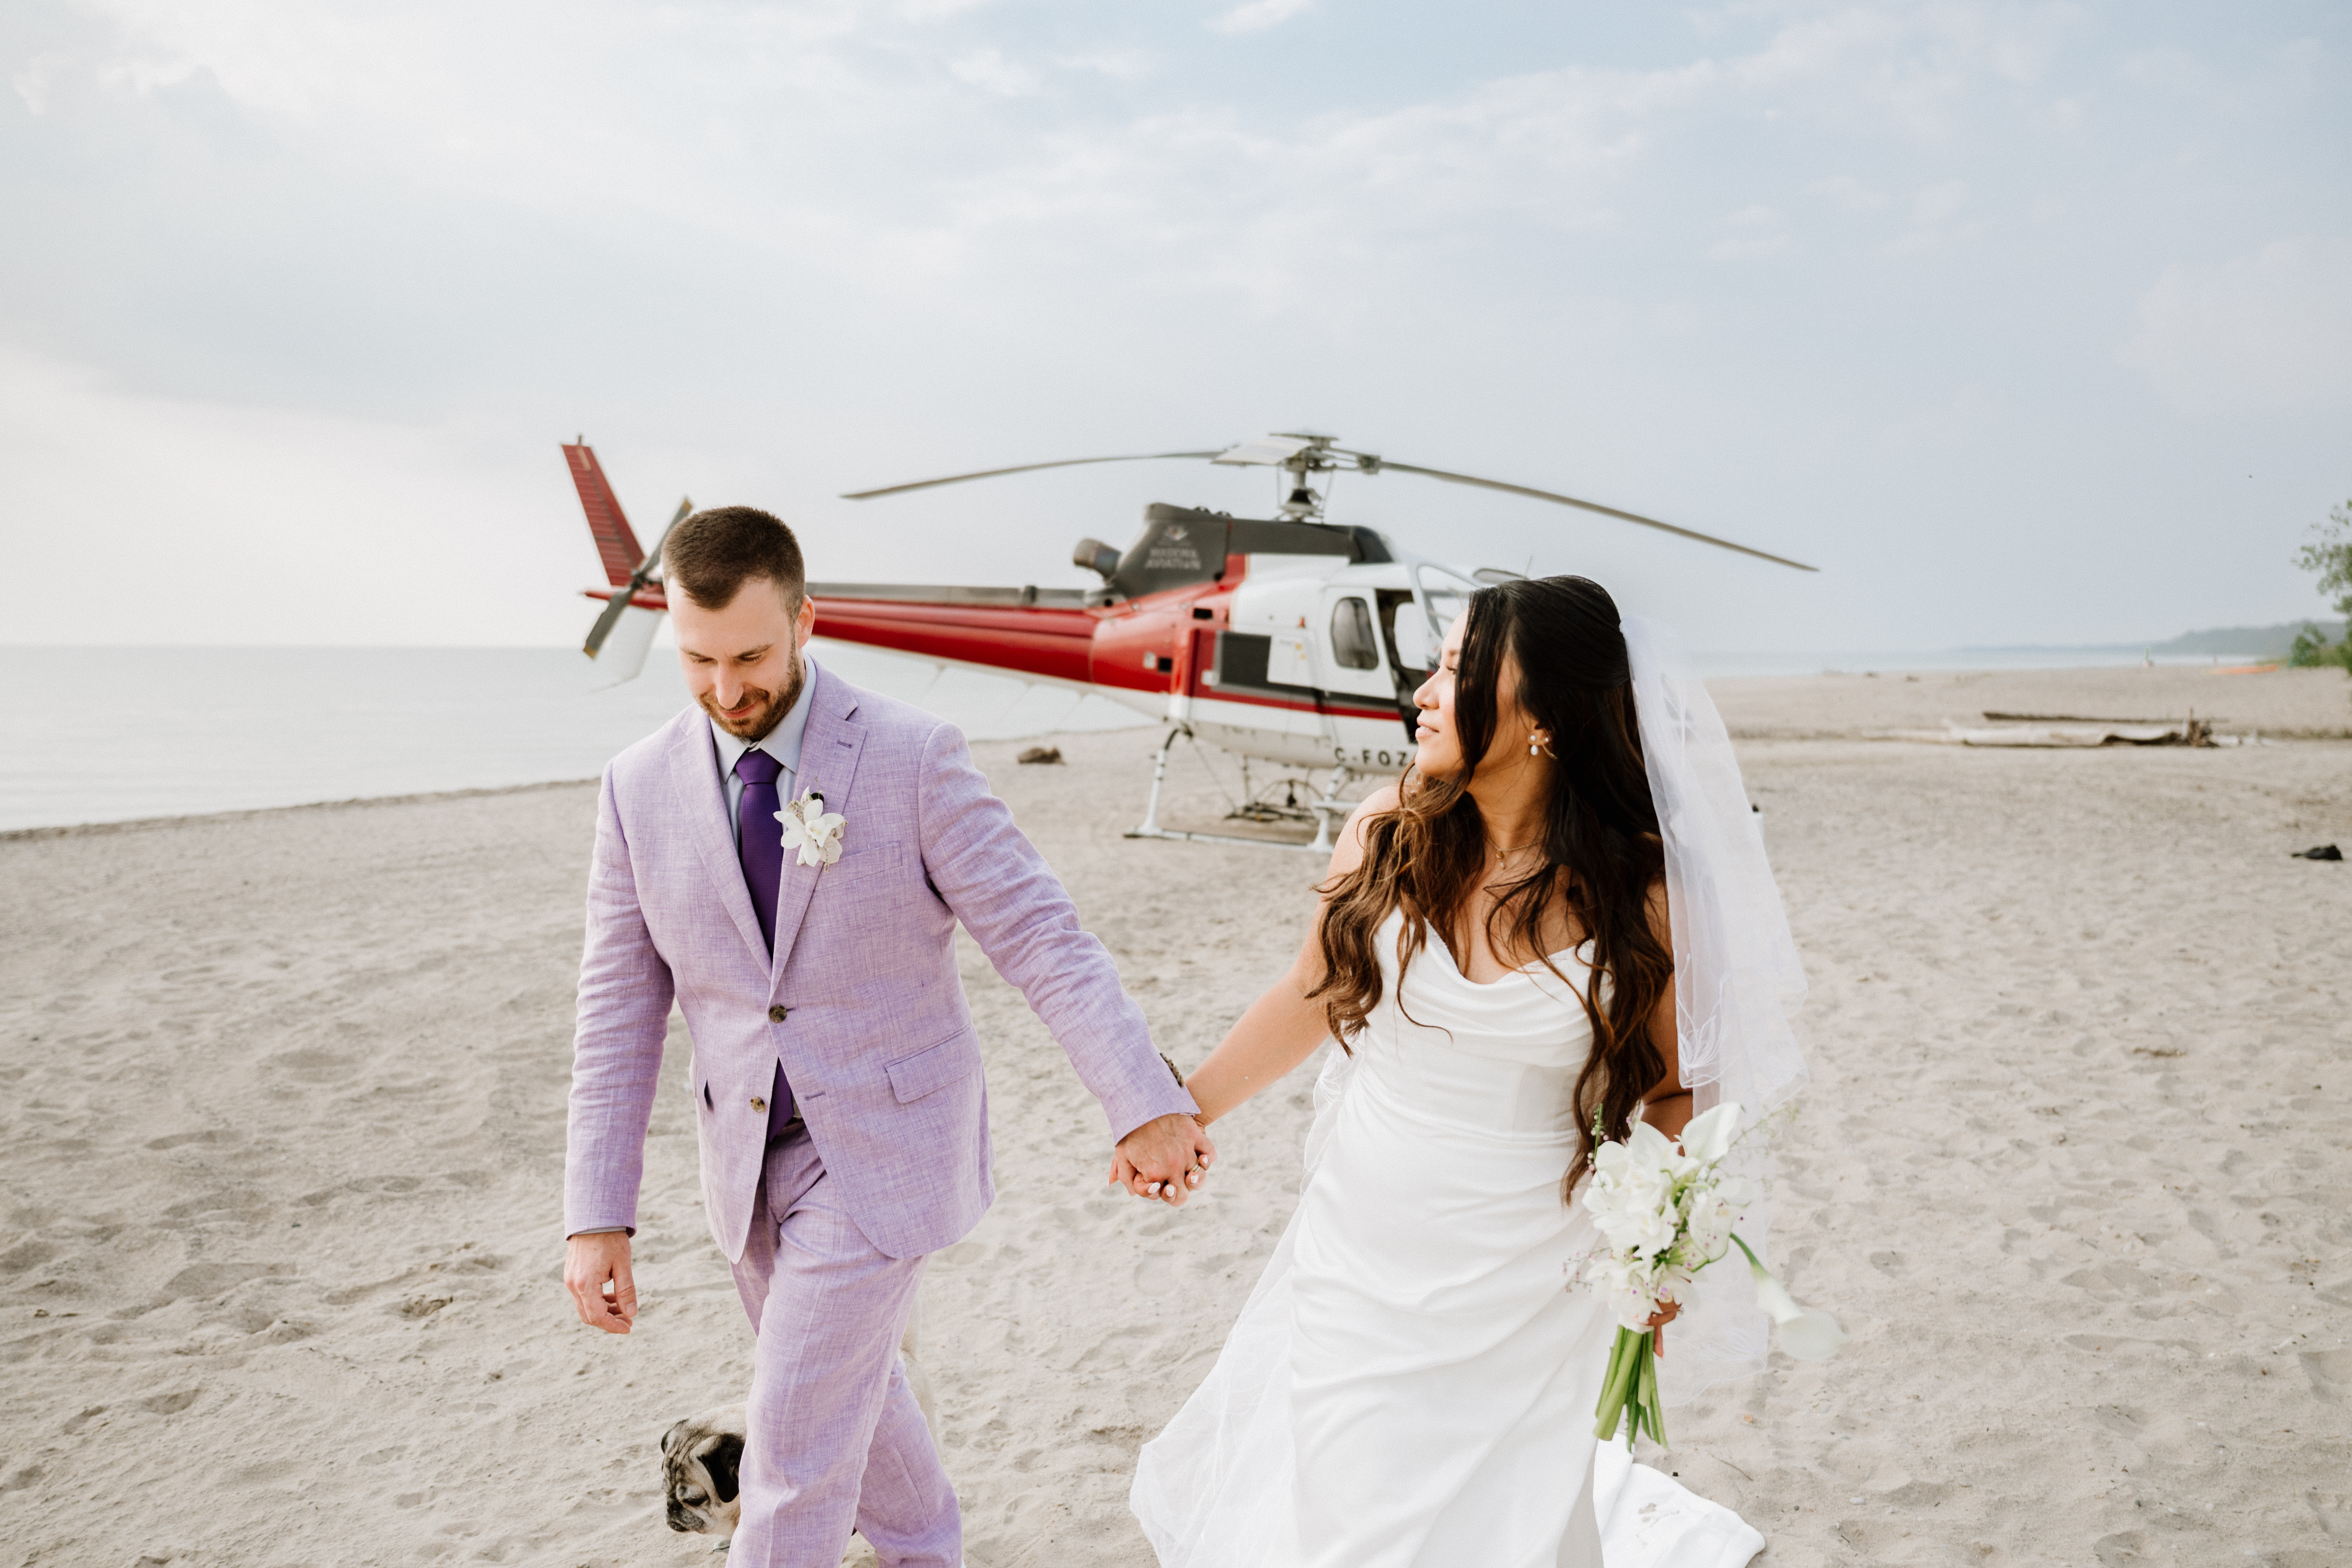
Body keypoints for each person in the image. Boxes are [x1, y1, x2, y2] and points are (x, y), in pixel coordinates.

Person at [560, 505, 1216, 1568]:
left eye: (752, 656)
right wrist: (598, 1214)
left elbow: (1038, 933)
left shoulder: (911, 756)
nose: (728, 690)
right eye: (696, 659)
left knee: (790, 1447)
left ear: (807, 621)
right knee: (853, 1390)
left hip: (887, 1146)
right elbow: (617, 1009)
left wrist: (1142, 1098)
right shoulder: (635, 788)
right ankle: (926, 1550)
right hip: (744, 1164)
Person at [1128, 576, 1806, 1568]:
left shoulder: (1647, 892)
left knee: (1505, 1521)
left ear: (1541, 716)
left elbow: (1674, 1089)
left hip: (1534, 1269)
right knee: (1350, 1503)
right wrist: (1179, 1110)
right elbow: (1310, 992)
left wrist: (1648, 1248)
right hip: (1361, 1244)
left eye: (1455, 668)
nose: (1424, 690)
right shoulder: (1386, 831)